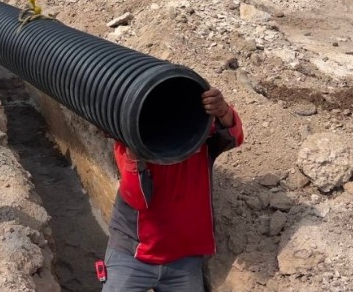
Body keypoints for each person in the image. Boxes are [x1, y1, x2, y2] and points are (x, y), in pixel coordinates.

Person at [101, 87, 245, 292]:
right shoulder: (128, 143)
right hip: (132, 254)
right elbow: (138, 198)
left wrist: (223, 111)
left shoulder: (201, 139)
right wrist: (134, 149)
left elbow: (234, 135)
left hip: (183, 259)